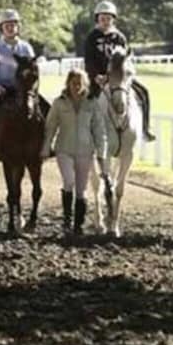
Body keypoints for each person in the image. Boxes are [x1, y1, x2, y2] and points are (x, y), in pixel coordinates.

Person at [0, 9, 49, 155]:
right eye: (7, 25)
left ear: (18, 26)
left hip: (24, 90)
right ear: (1, 28)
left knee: (47, 108)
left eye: (13, 25)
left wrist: (33, 88)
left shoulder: (26, 47)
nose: (10, 28)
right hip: (2, 89)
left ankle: (47, 144)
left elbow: (33, 69)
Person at [41, 68, 109, 234]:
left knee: (81, 190)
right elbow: (51, 126)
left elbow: (99, 129)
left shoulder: (91, 103)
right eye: (73, 83)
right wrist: (46, 147)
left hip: (85, 151)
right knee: (69, 181)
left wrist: (102, 152)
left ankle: (78, 226)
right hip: (64, 150)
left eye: (80, 83)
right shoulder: (59, 103)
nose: (77, 86)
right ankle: (67, 220)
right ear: (68, 83)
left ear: (85, 84)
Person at [81, 0, 155, 141]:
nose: (105, 22)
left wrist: (127, 74)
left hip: (119, 78)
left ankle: (145, 129)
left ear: (113, 19)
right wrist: (96, 76)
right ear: (97, 19)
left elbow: (127, 57)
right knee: (85, 99)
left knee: (143, 92)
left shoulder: (120, 37)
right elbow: (89, 60)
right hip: (98, 78)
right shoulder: (92, 37)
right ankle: (84, 132)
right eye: (102, 18)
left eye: (108, 18)